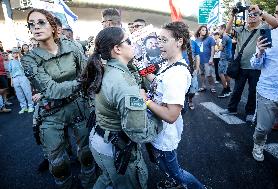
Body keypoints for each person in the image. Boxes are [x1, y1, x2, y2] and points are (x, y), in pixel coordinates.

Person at [21, 9, 95, 189]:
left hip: (78, 107)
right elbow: (52, 90)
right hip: (50, 112)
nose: (36, 27)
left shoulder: (73, 46)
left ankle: (90, 183)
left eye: (41, 22)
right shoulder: (29, 59)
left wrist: (86, 81)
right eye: (32, 24)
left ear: (54, 27)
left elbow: (87, 72)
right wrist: (82, 81)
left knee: (86, 154)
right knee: (58, 163)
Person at [83, 27, 156, 189]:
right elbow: (139, 133)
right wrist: (161, 119)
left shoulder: (107, 69)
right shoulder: (124, 83)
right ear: (117, 48)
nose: (133, 44)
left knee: (107, 179)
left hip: (101, 139)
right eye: (129, 41)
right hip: (114, 147)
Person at [141, 21, 205, 189]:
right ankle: (174, 182)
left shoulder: (177, 74)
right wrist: (141, 69)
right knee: (165, 165)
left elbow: (171, 115)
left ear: (179, 41)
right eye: (158, 40)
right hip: (158, 130)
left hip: (165, 135)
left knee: (176, 171)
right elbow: (158, 81)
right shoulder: (167, 64)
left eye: (163, 40)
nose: (158, 45)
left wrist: (145, 100)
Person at [220, 4, 278, 122]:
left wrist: (260, 12)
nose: (252, 16)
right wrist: (232, 15)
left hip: (256, 66)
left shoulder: (264, 27)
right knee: (237, 89)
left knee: (252, 91)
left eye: (254, 14)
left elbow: (275, 23)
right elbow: (227, 31)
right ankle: (232, 108)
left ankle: (250, 112)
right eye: (250, 14)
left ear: (260, 17)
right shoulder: (242, 29)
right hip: (241, 66)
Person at [250, 0, 278, 178]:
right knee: (262, 128)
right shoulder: (269, 35)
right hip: (267, 92)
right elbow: (256, 65)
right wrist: (260, 52)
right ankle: (258, 143)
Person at [8, 48, 34, 113]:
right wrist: (12, 81)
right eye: (14, 53)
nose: (15, 54)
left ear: (19, 53)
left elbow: (25, 68)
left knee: (27, 92)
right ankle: (23, 107)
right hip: (15, 78)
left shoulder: (22, 60)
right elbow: (11, 72)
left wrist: (20, 59)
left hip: (23, 77)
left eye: (17, 52)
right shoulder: (10, 62)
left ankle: (31, 106)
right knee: (19, 93)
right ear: (12, 54)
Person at [195, 25, 216, 93]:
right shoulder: (196, 40)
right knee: (202, 74)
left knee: (209, 74)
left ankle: (212, 87)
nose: (204, 31)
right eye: (203, 30)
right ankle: (203, 86)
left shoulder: (210, 39)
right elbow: (195, 51)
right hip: (199, 60)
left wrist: (211, 58)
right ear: (199, 31)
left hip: (207, 60)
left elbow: (213, 49)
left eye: (205, 30)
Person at [217, 24, 233, 98]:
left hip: (224, 58)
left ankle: (225, 89)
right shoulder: (228, 37)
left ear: (223, 29)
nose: (218, 31)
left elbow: (221, 48)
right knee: (226, 74)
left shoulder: (225, 37)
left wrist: (216, 48)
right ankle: (228, 89)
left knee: (221, 74)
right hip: (228, 57)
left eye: (219, 29)